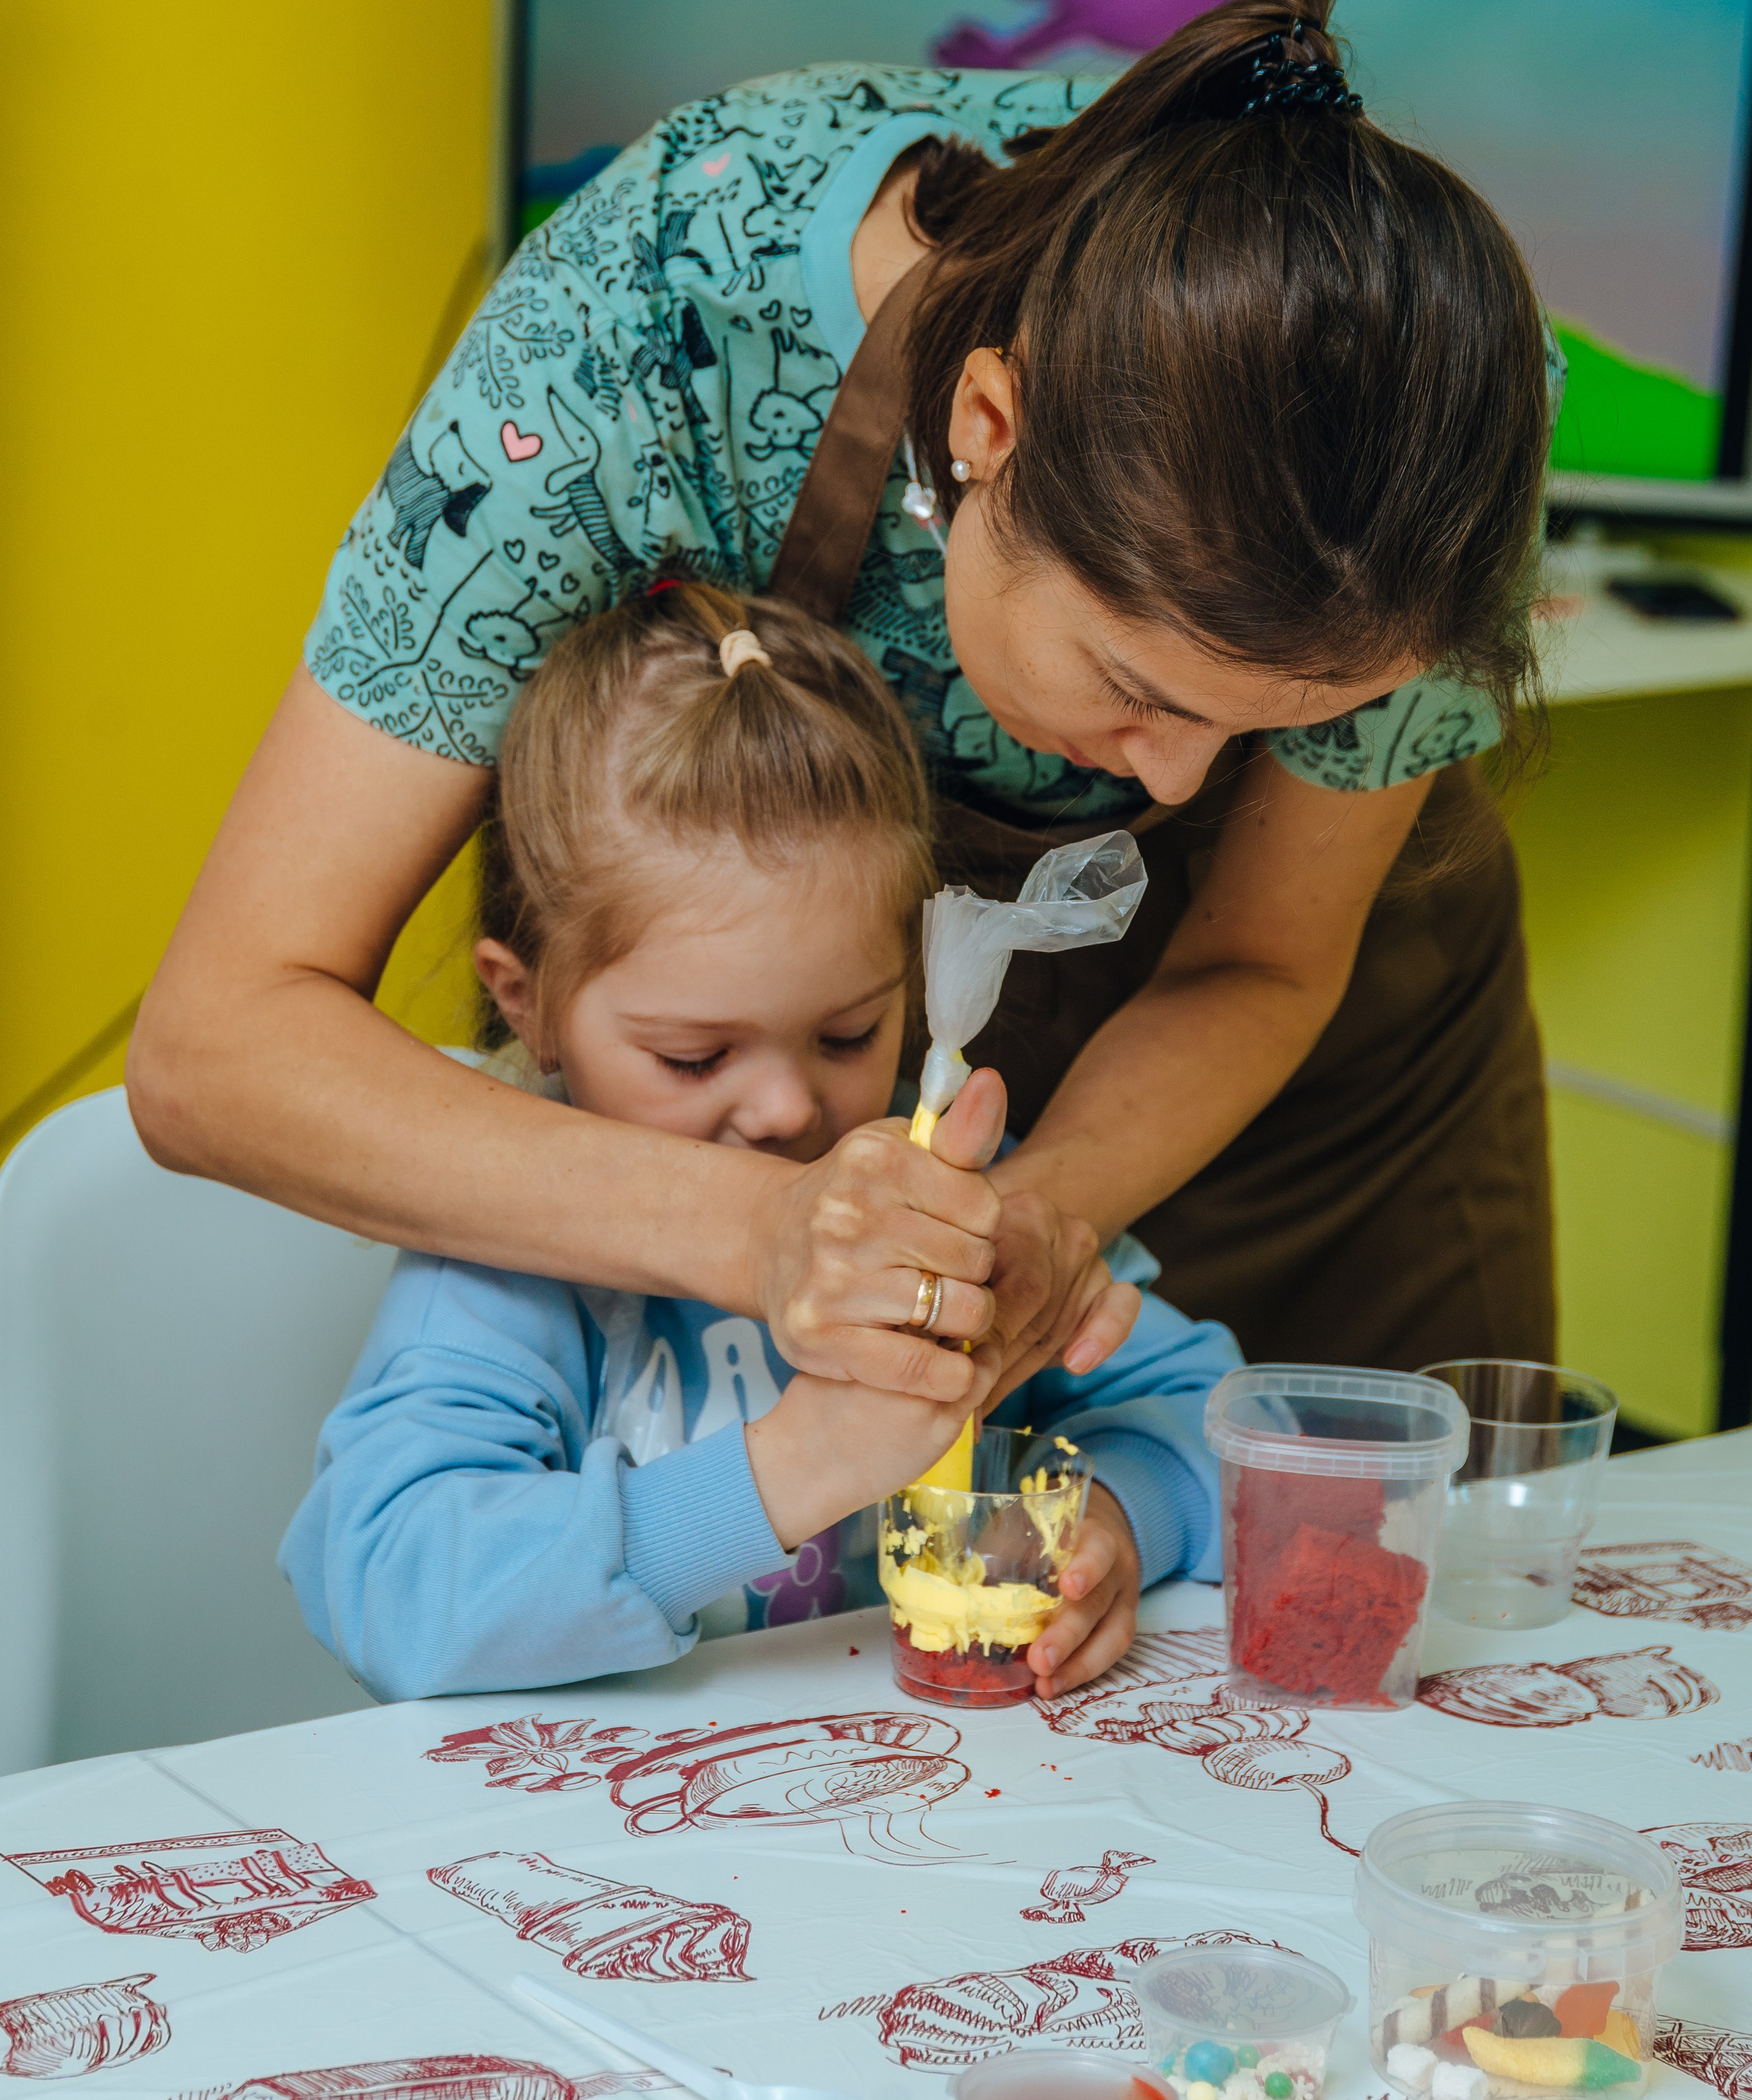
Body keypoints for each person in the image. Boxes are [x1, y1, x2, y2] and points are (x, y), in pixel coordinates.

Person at [130, 0, 1558, 1398]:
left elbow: (1261, 954)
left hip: (1305, 1092)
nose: (1174, 783)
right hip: (778, 1115)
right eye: (1136, 687)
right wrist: (760, 1227)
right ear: (986, 424)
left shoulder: (1435, 442)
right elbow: (217, 1049)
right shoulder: (637, 324)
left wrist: (1051, 1213)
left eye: (1279, 725)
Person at [283, 587, 1230, 1703]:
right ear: (528, 1002)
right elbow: (389, 1586)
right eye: (693, 1057)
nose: (787, 1108)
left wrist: (1117, 1520)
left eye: (848, 1033)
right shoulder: (511, 1276)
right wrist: (799, 1464)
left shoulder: (939, 1214)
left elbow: (1220, 1424)